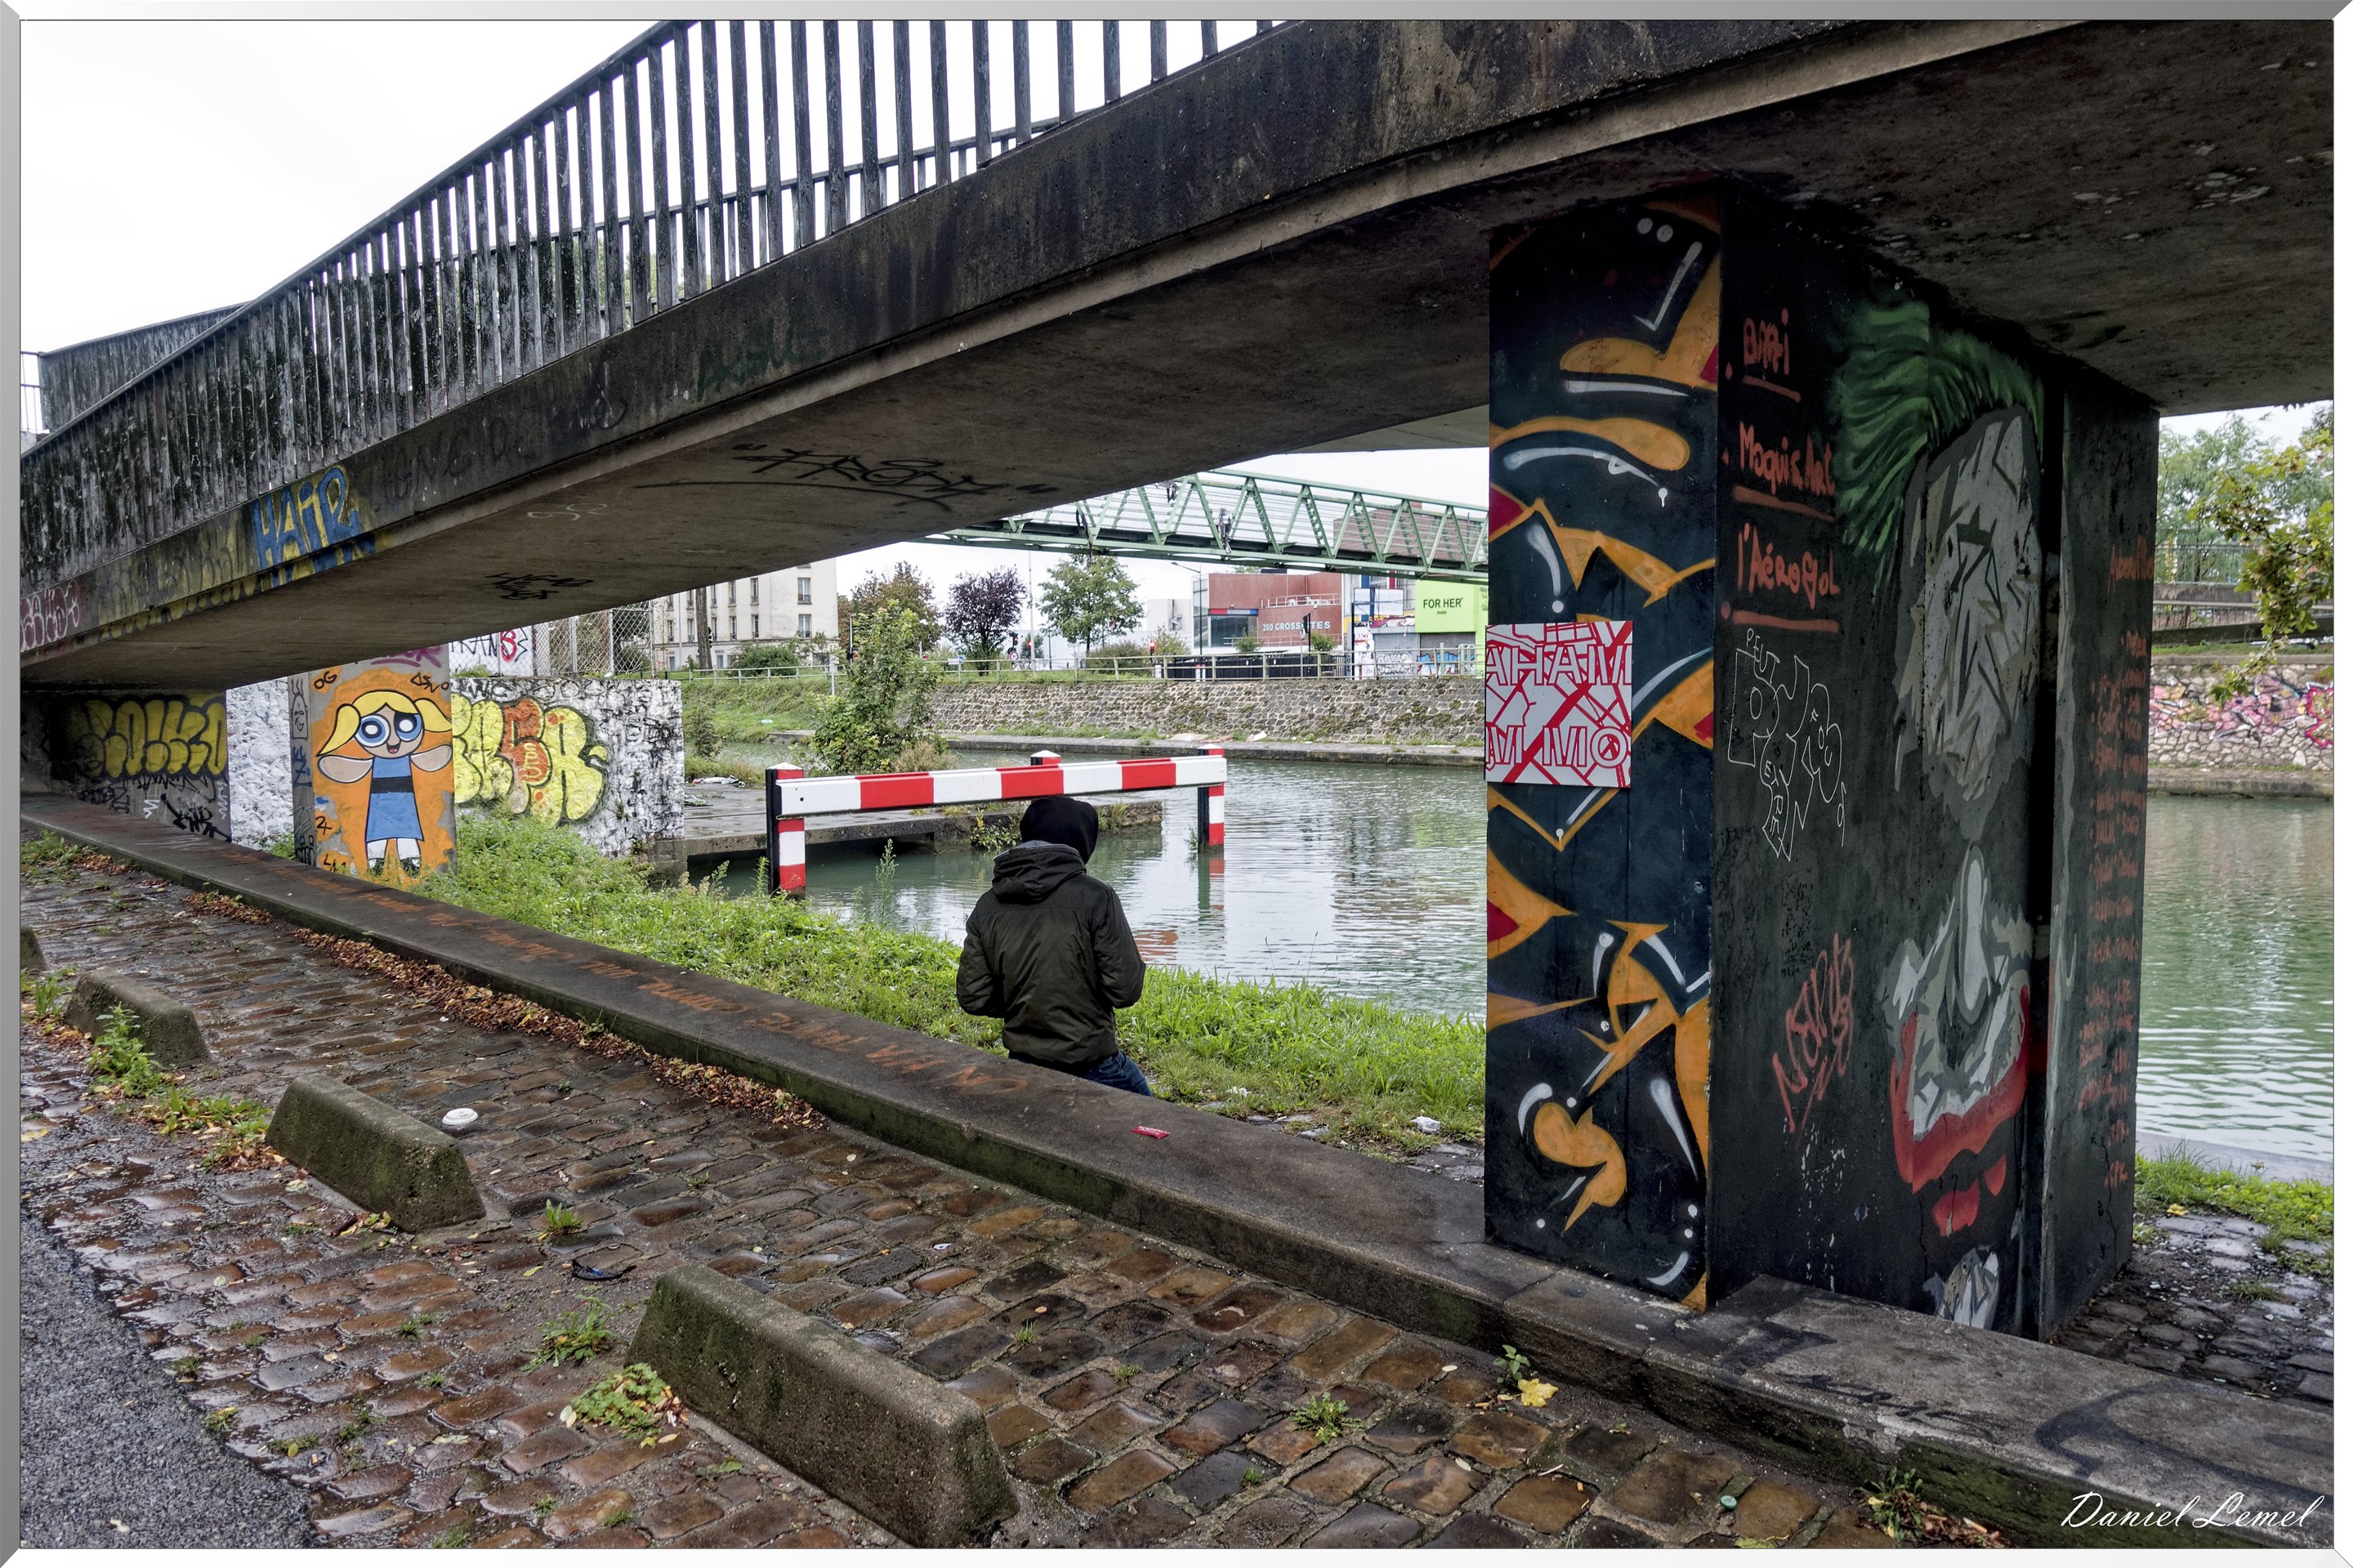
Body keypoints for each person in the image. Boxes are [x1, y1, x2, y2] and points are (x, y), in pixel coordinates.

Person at [957, 796, 1153, 1096]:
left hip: (1022, 1063)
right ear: (1082, 844)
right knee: (1156, 1119)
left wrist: (1022, 1003)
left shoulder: (987, 906)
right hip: (1094, 1064)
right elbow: (1125, 990)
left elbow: (973, 996)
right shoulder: (1098, 898)